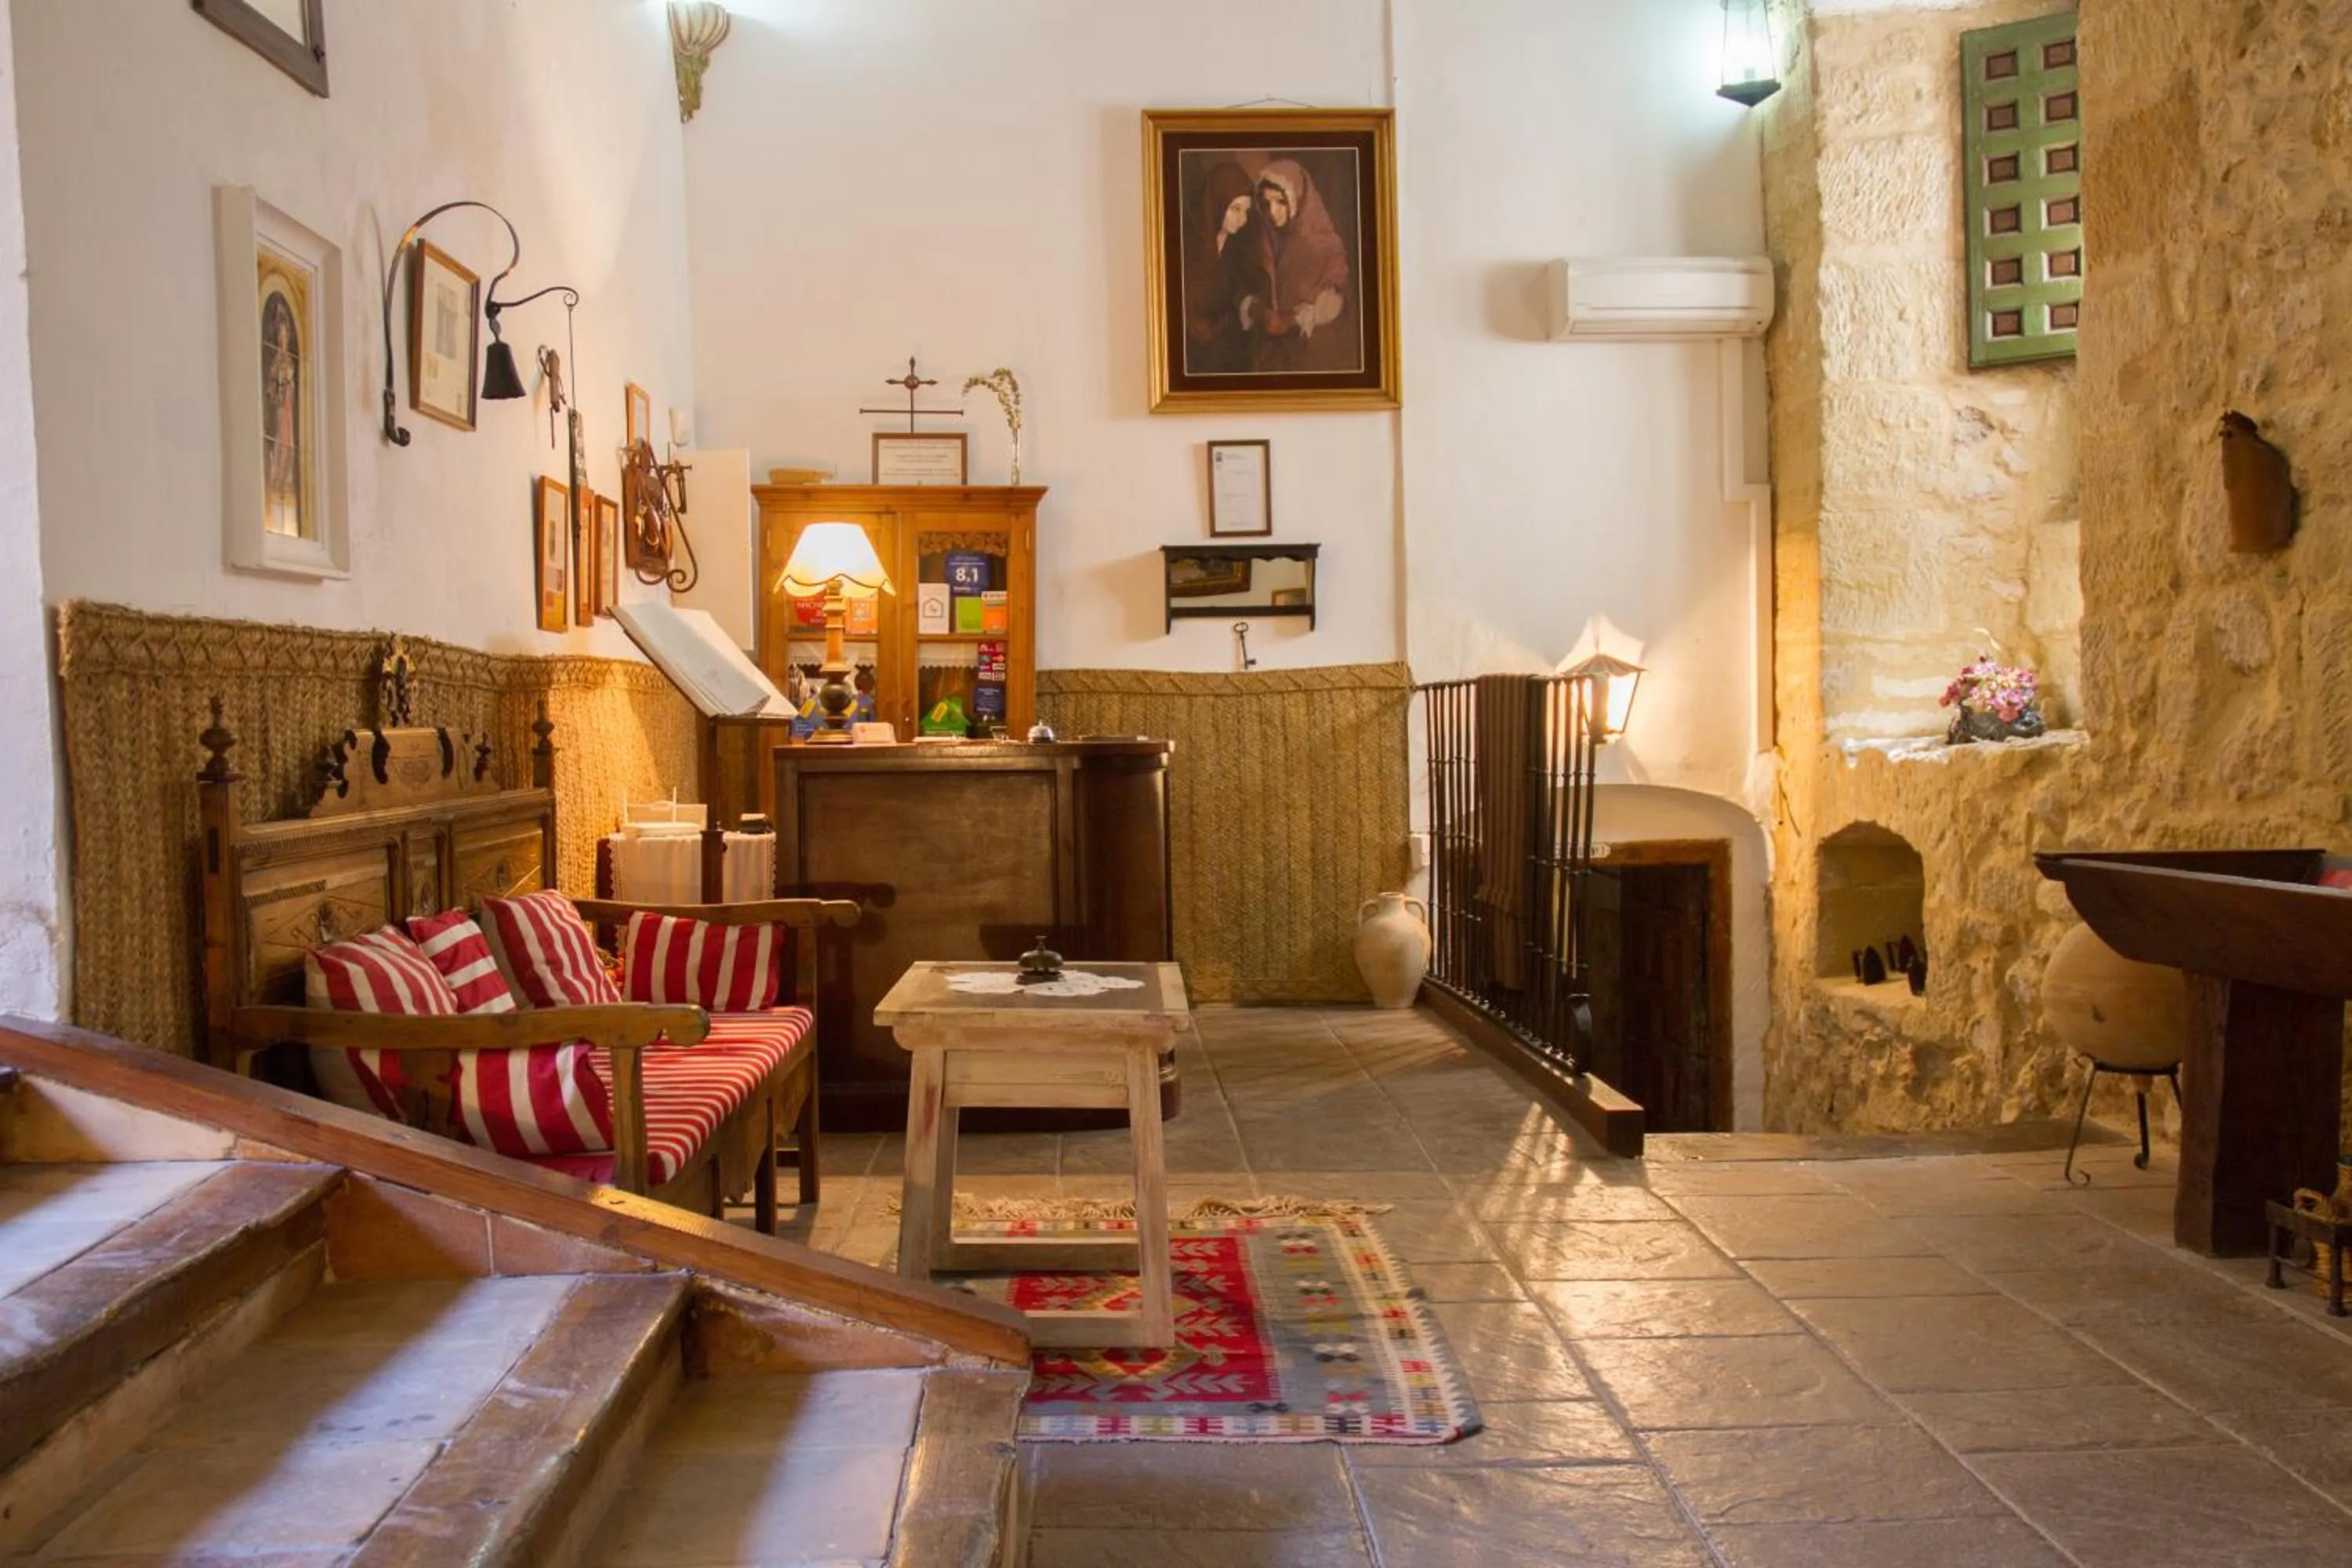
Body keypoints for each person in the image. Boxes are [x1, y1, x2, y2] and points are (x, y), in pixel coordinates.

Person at [1240, 158, 1355, 373]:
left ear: (1298, 199)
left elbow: (1338, 301)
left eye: (1281, 202)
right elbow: (1246, 289)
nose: (1272, 212)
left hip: (1310, 358)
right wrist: (1257, 310)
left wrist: (1291, 320)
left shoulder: (1326, 246)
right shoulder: (1261, 241)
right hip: (1265, 359)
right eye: (1266, 203)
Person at [1181, 160, 1265, 375]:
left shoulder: (1236, 247)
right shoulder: (1186, 244)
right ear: (1216, 203)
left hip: (1224, 347)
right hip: (1189, 351)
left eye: (1246, 211)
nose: (1243, 219)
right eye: (1235, 209)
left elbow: (1240, 288)